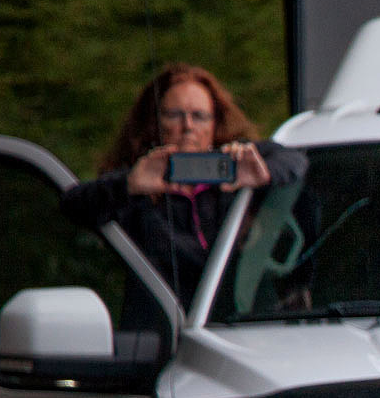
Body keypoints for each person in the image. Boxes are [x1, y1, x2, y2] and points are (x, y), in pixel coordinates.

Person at [60, 63, 305, 307]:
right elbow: (72, 204)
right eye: (174, 115)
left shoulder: (236, 166)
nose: (188, 126)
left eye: (199, 116)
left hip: (243, 321)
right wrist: (128, 186)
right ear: (153, 123)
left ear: (215, 124)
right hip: (164, 330)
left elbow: (296, 160)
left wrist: (262, 175)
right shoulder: (139, 181)